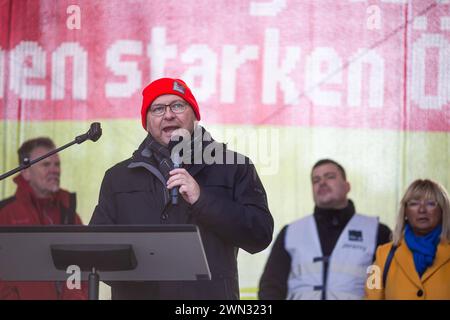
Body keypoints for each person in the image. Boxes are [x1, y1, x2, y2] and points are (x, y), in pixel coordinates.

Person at [89, 77, 274, 299]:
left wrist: (202, 199)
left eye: (178, 105)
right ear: (146, 122)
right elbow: (96, 253)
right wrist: (143, 268)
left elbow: (259, 234)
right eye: (157, 109)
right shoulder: (118, 178)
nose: (168, 115)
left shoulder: (234, 167)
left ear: (195, 114)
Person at [258, 159, 391, 300]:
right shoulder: (291, 232)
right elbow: (271, 286)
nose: (322, 182)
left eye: (330, 177)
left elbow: (389, 285)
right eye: (316, 180)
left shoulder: (378, 232)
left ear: (347, 186)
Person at [0, 137, 87, 300]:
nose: (55, 170)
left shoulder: (69, 214)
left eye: (57, 164)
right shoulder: (4, 214)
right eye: (46, 164)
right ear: (25, 172)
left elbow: (79, 267)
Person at [366, 179, 450, 300]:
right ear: (405, 211)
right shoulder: (382, 255)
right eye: (414, 203)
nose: (422, 210)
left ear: (443, 210)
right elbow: (370, 297)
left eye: (431, 203)